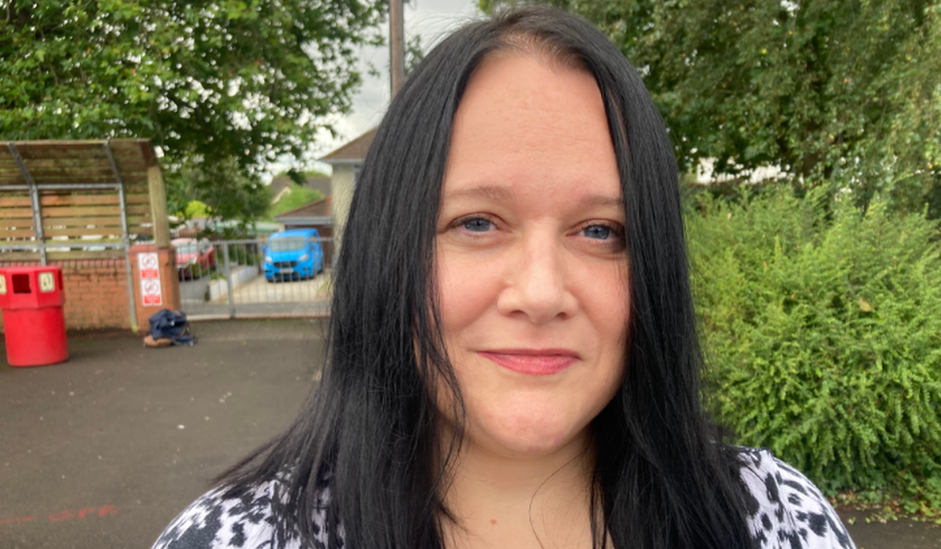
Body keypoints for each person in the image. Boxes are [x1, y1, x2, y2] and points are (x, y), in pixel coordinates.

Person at [152, 7, 855, 549]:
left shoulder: (776, 519)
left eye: (602, 231)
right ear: (387, 252)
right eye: (478, 223)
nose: (542, 293)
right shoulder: (239, 535)